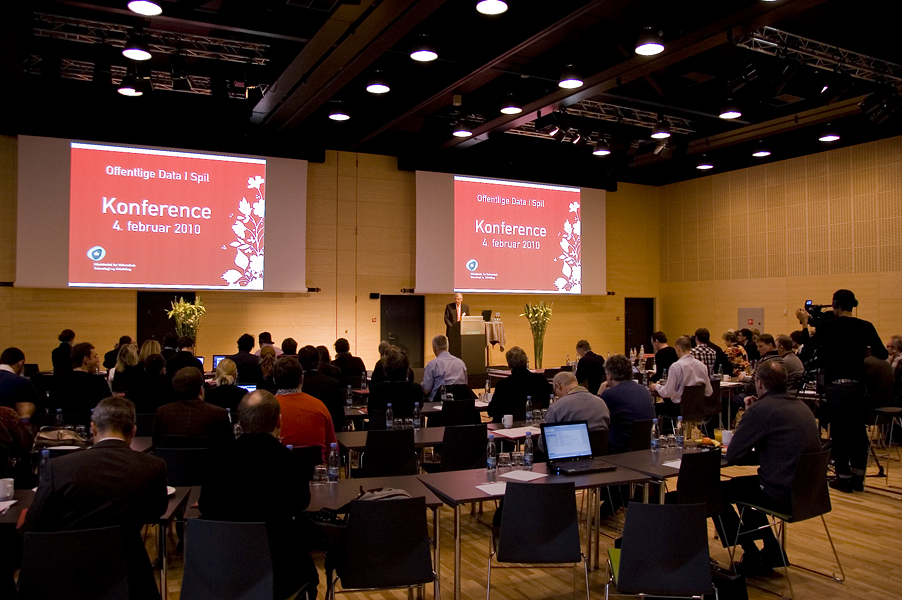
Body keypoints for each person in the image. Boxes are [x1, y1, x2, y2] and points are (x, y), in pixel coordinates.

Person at [24, 396, 168, 600]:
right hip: (130, 575)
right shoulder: (153, 467)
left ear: (92, 429)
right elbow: (156, 511)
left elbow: (35, 525)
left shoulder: (58, 468)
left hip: (67, 576)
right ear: (133, 431)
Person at [199, 390, 318, 600]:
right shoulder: (294, 464)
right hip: (281, 571)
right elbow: (301, 503)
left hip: (224, 567)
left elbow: (206, 507)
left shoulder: (214, 460)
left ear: (239, 423)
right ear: (279, 421)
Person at [720, 360, 821, 576]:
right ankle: (772, 550)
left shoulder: (762, 410)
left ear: (759, 383)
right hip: (810, 493)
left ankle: (752, 553)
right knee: (744, 488)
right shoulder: (802, 406)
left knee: (717, 492)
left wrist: (749, 414)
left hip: (780, 492)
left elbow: (734, 454)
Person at [796, 289, 887, 492]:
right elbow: (882, 353)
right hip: (858, 386)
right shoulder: (866, 326)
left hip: (836, 386)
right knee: (858, 432)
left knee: (839, 432)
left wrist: (804, 323)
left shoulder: (827, 327)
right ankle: (858, 478)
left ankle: (843, 478)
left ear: (835, 304)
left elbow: (808, 348)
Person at [152, 367, 233, 449]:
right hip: (210, 461)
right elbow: (228, 447)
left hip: (170, 461)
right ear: (201, 389)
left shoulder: (162, 413)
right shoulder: (219, 414)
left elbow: (156, 445)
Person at [273, 356, 336, 460]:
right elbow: (332, 448)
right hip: (316, 472)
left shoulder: (266, 409)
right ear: (302, 378)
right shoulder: (319, 406)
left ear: (274, 380)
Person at [540, 371, 610, 452]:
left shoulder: (557, 407)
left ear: (558, 386)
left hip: (570, 457)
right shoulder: (601, 402)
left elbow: (544, 443)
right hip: (601, 456)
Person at [599, 354, 656, 454]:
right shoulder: (643, 390)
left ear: (610, 375)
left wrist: (599, 393)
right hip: (644, 445)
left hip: (618, 448)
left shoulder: (609, 394)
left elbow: (596, 418)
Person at [650, 336, 712, 424]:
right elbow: (709, 392)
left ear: (678, 348)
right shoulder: (702, 366)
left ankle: (665, 434)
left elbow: (668, 392)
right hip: (698, 408)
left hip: (678, 408)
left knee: (655, 407)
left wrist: (657, 387)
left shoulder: (676, 366)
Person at [488, 346, 553, 423]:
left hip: (508, 426)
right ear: (526, 362)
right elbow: (547, 404)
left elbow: (492, 411)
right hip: (535, 423)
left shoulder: (504, 385)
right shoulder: (541, 380)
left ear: (509, 364)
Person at [368, 346, 425, 427]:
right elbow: (418, 410)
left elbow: (371, 414)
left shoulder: (376, 389)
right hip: (408, 434)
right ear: (407, 370)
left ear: (385, 370)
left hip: (381, 435)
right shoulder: (416, 389)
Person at [298, 346, 344, 432]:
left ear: (299, 364)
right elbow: (340, 416)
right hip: (329, 430)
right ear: (318, 362)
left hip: (303, 430)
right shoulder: (333, 383)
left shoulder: (297, 386)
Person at [65, 342, 111, 425]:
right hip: (92, 429)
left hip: (63, 432)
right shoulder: (98, 382)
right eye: (94, 357)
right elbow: (109, 408)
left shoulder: (58, 382)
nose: (97, 360)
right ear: (86, 360)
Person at [422, 335, 468, 400]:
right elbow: (465, 386)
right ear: (447, 347)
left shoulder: (432, 365)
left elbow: (426, 391)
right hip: (460, 404)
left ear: (434, 348)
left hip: (437, 404)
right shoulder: (461, 363)